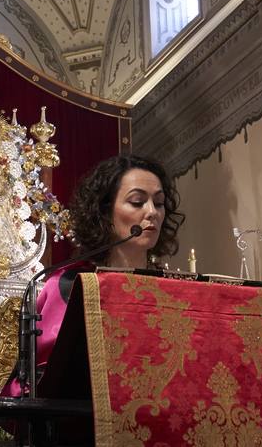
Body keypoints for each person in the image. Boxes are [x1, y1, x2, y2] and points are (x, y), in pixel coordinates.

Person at [24, 154, 182, 382]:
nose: (152, 212)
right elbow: (45, 376)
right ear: (105, 212)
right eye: (137, 202)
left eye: (158, 203)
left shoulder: (174, 289)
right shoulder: (70, 284)